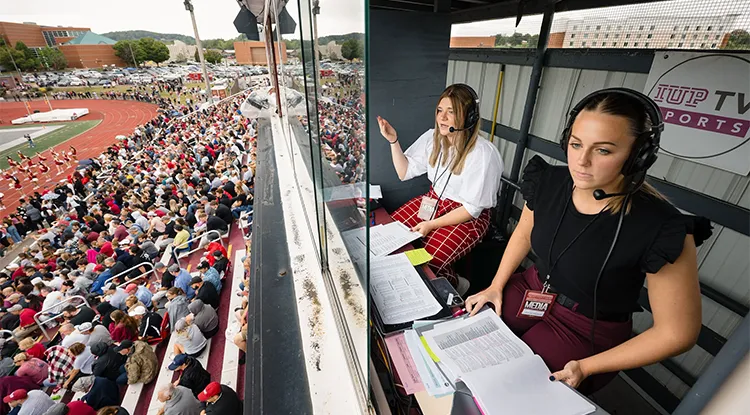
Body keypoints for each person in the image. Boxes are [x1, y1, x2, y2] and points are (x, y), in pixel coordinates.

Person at [465, 88, 711, 393]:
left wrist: (586, 366)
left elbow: (678, 333)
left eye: (603, 150)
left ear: (638, 156)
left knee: (509, 387)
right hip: (532, 288)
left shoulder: (661, 226)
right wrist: (496, 285)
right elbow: (525, 232)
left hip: (584, 325)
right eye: (576, 144)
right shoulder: (549, 181)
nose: (581, 161)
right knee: (471, 340)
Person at [377, 84, 503, 293]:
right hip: (434, 201)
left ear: (468, 117)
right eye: (440, 110)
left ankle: (457, 285)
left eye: (451, 112)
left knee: (429, 262)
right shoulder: (432, 137)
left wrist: (431, 225)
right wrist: (393, 141)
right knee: (391, 237)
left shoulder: (484, 155)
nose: (442, 117)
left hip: (466, 215)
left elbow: (472, 210)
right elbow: (404, 172)